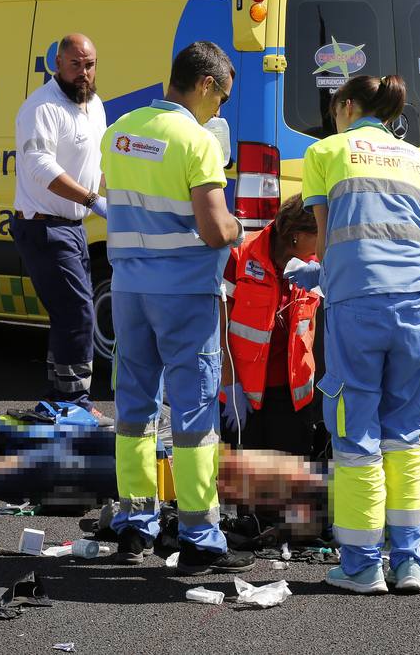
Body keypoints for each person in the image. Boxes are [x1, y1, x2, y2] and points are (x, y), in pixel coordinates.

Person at [102, 40, 254, 575]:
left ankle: (134, 527)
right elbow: (214, 230)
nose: (222, 111)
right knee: (193, 415)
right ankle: (199, 535)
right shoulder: (196, 140)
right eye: (223, 98)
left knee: (134, 410)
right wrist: (240, 226)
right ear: (206, 85)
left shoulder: (118, 132)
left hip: (128, 291)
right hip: (184, 294)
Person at [302, 74, 420, 596]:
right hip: (417, 306)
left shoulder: (327, 151)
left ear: (346, 105)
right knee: (405, 436)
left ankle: (363, 565)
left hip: (357, 304)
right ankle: (408, 560)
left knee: (355, 435)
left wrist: (316, 271)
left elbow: (325, 241)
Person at [11, 33, 109, 422]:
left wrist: (110, 196)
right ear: (58, 64)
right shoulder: (42, 107)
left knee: (69, 313)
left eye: (90, 65)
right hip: (44, 226)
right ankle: (73, 400)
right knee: (78, 312)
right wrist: (91, 200)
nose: (84, 73)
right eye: (75, 65)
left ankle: (59, 397)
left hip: (71, 226)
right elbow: (39, 167)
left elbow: (97, 162)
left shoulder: (93, 105)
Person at [219, 194, 324, 457]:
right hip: (245, 396)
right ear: (296, 235)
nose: (323, 244)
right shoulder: (240, 255)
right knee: (244, 487)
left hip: (292, 400)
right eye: (319, 234)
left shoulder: (317, 265)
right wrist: (230, 386)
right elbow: (218, 328)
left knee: (289, 489)